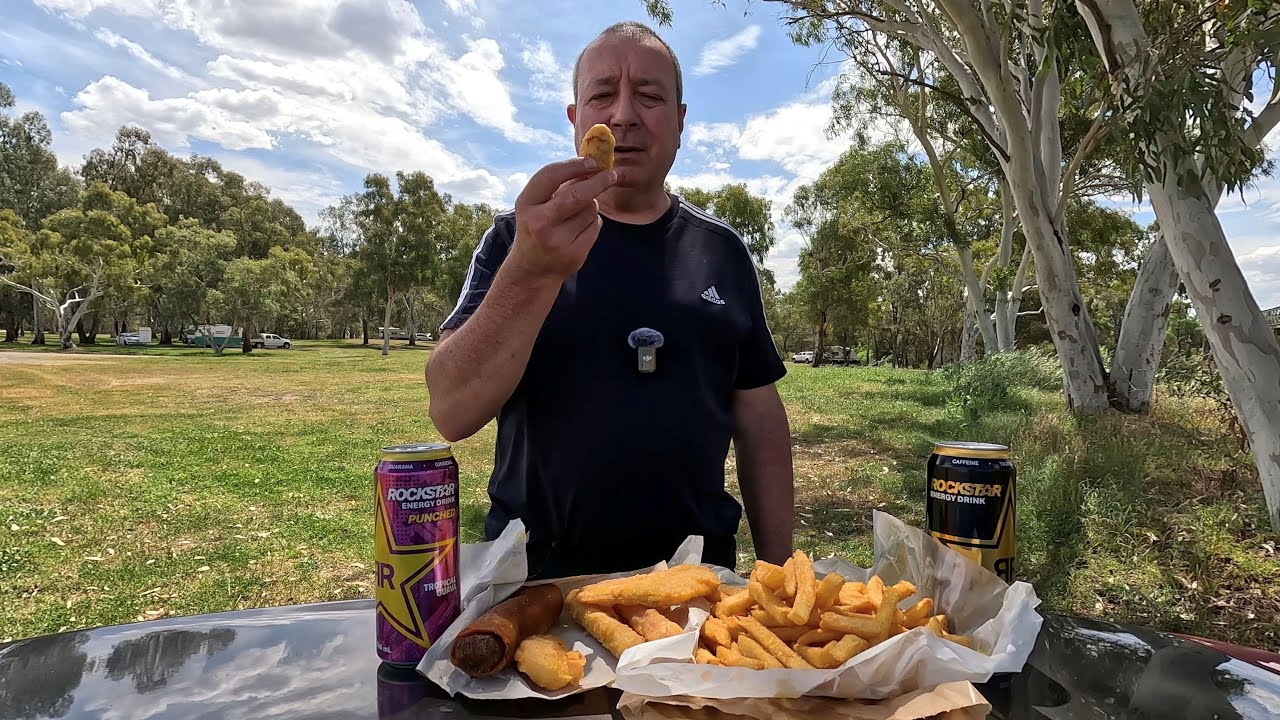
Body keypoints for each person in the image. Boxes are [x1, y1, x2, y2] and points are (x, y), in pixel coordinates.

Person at [425, 21, 794, 579]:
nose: (623, 115)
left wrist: (779, 571)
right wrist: (531, 271)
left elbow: (761, 422)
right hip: (536, 586)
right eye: (602, 95)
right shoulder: (517, 239)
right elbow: (450, 411)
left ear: (680, 123)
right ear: (576, 120)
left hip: (698, 588)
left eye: (649, 96)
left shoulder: (722, 253)